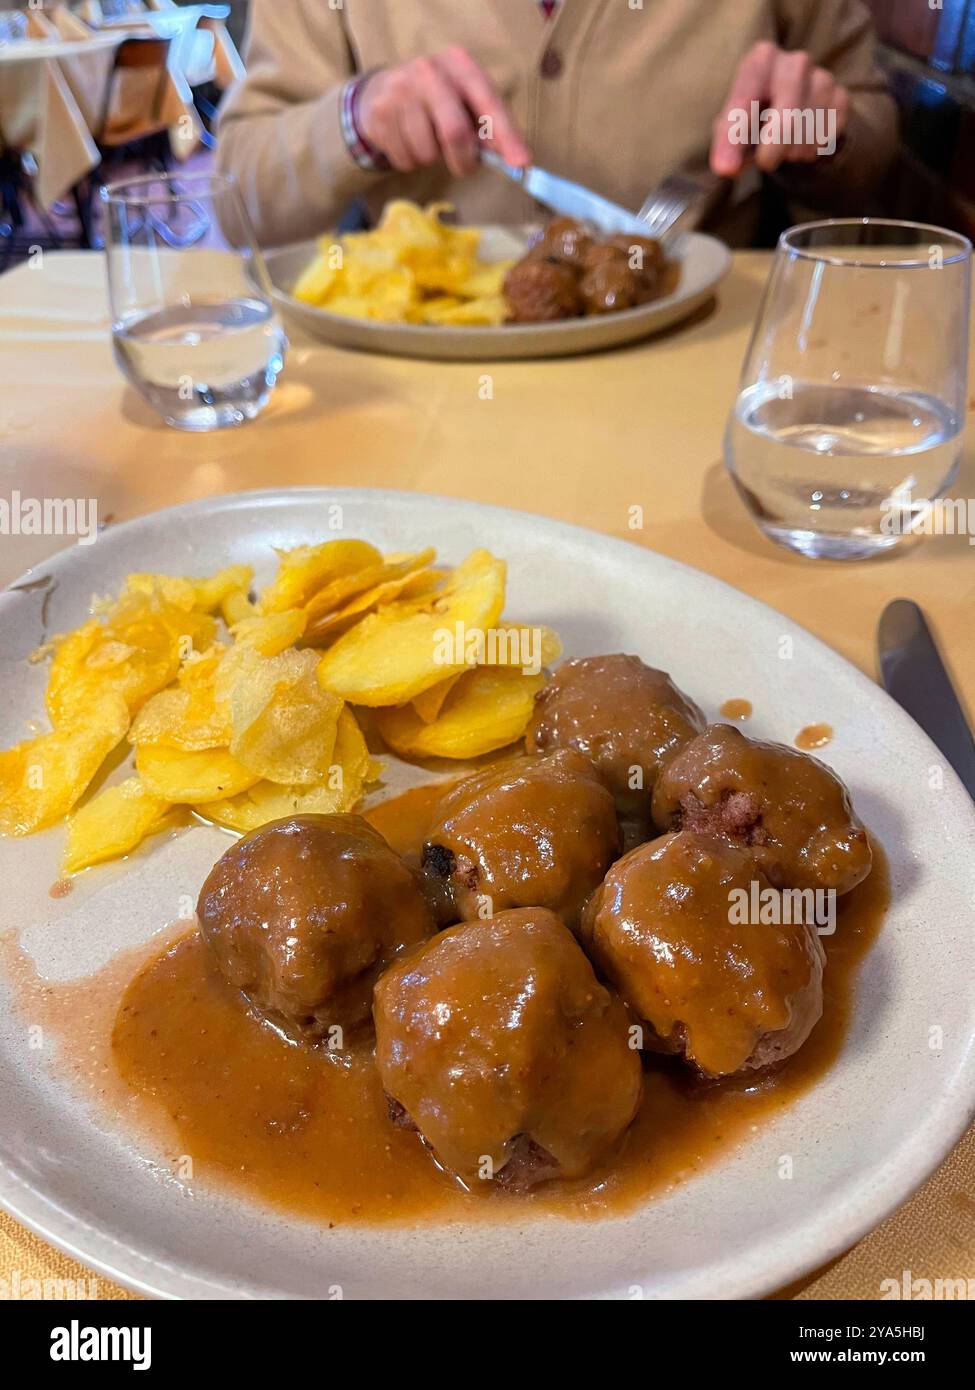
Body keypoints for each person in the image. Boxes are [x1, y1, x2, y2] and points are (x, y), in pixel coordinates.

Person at [216, 0, 897, 247]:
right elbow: (240, 203)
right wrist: (355, 124)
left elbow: (869, 149)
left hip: (699, 359)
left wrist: (816, 136)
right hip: (415, 373)